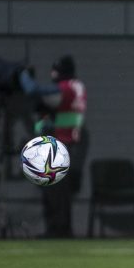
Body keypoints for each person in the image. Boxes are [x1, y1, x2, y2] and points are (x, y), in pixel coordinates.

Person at [35, 55, 87, 238]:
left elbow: (42, 96)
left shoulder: (67, 87)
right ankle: (60, 228)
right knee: (60, 190)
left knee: (56, 191)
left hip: (64, 143)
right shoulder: (77, 86)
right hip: (71, 143)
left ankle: (59, 229)